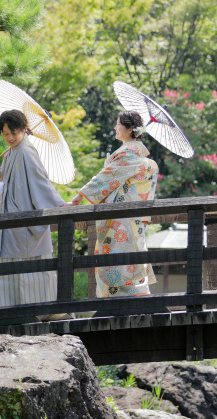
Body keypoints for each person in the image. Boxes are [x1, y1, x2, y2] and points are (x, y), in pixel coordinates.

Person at [0, 109, 69, 312]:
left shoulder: (26, 151)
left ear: (23, 129)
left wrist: (59, 204)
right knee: (15, 270)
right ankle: (14, 313)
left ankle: (34, 313)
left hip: (23, 220)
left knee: (26, 269)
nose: (10, 138)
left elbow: (40, 181)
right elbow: (8, 182)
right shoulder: (14, 151)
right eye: (5, 134)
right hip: (12, 219)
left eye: (13, 132)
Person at [70, 110, 159, 296]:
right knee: (131, 258)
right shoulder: (139, 157)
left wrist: (79, 196)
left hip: (120, 219)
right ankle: (138, 300)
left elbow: (105, 178)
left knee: (117, 261)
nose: (115, 127)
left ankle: (118, 303)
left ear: (128, 129)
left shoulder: (127, 154)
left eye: (118, 124)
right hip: (134, 218)